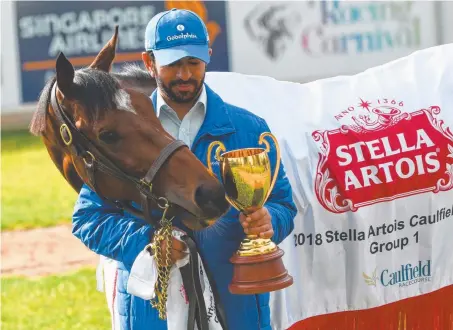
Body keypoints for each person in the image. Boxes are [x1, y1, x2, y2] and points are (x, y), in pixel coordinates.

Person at [72, 8, 297, 330]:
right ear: (149, 63)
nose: (184, 74)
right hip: (153, 310)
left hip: (237, 301)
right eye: (173, 64)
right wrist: (147, 243)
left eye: (192, 62)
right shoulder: (120, 132)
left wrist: (269, 220)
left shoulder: (249, 127)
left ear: (207, 55)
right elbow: (89, 218)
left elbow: (283, 204)